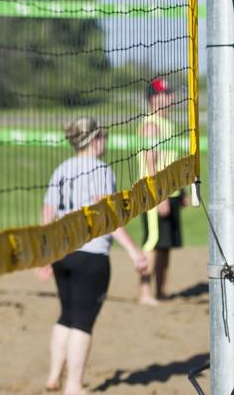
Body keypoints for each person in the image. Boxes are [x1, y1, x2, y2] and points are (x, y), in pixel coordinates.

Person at [37, 116, 149, 395]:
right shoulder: (100, 170)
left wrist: (44, 254)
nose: (106, 143)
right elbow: (107, 217)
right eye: (104, 137)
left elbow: (47, 214)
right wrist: (135, 251)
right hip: (92, 255)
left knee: (67, 315)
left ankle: (53, 376)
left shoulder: (62, 168)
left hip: (62, 251)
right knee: (83, 322)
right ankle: (73, 385)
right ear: (95, 139)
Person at [136, 76, 187, 305]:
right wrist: (159, 195)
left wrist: (180, 191)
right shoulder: (151, 125)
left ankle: (160, 291)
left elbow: (170, 161)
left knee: (165, 246)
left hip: (171, 192)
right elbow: (151, 161)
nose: (170, 97)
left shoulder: (168, 124)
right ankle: (144, 293)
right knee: (152, 243)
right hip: (154, 193)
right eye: (164, 94)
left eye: (169, 93)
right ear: (153, 99)